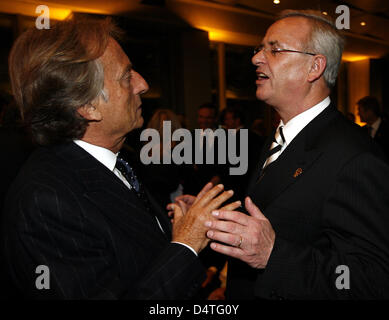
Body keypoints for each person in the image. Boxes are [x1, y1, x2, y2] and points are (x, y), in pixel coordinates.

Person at [0, 17, 240, 299]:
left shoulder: (116, 160)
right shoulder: (46, 202)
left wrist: (171, 226)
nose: (142, 84)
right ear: (87, 106)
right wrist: (186, 244)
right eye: (127, 76)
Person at [202, 10, 389, 299]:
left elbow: (371, 281)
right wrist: (218, 219)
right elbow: (281, 215)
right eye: (259, 48)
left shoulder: (355, 157)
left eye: (274, 49)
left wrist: (273, 256)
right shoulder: (278, 139)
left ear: (314, 67)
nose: (256, 58)